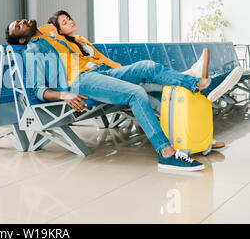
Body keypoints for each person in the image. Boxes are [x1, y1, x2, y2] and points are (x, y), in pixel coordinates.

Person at [4, 18, 243, 171]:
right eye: (18, 25)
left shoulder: (48, 34)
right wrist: (64, 95)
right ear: (22, 38)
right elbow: (37, 90)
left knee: (148, 67)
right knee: (137, 93)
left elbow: (58, 27)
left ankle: (196, 83)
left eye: (20, 20)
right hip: (80, 82)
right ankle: (166, 153)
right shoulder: (33, 49)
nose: (22, 21)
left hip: (98, 72)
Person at [47, 10, 226, 149]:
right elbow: (43, 32)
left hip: (105, 74)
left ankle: (199, 132)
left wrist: (124, 72)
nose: (70, 21)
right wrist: (53, 30)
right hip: (84, 80)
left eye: (69, 18)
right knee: (145, 90)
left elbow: (104, 59)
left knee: (149, 74)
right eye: (64, 22)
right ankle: (192, 78)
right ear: (57, 29)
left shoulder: (80, 40)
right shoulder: (56, 42)